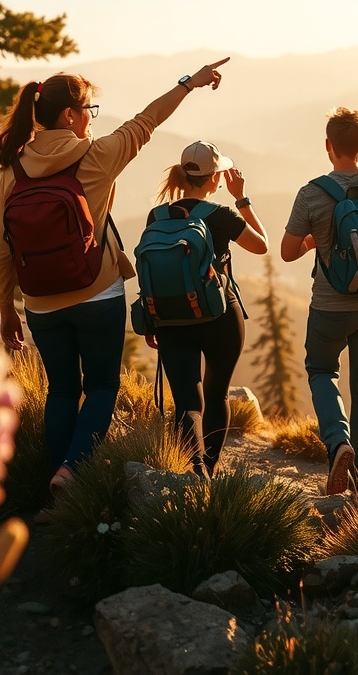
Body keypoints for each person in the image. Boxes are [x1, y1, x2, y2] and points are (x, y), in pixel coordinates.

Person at [0, 59, 230, 496]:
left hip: (41, 302)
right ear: (70, 115)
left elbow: (2, 248)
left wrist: (8, 309)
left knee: (61, 390)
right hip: (96, 292)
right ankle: (70, 471)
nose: (90, 118)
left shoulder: (13, 169)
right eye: (88, 110)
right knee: (101, 386)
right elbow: (148, 121)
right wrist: (189, 83)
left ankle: (55, 483)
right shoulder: (96, 156)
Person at [280, 108, 358, 495]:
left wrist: (314, 240)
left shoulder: (312, 193)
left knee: (321, 371)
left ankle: (339, 443)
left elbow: (287, 252)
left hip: (330, 307)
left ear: (328, 148)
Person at [144, 141, 269, 477]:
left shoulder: (157, 216)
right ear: (215, 179)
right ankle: (208, 473)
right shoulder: (221, 215)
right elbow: (262, 245)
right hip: (220, 317)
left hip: (170, 318)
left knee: (187, 401)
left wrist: (155, 321)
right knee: (216, 396)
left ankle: (192, 469)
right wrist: (241, 198)